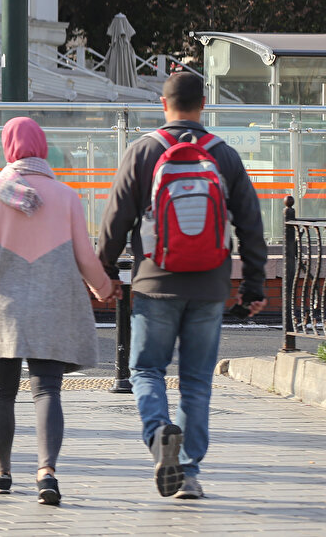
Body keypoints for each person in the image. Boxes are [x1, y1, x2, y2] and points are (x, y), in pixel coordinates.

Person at [98, 72, 267, 501]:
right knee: (196, 381)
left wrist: (103, 276)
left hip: (155, 281)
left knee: (147, 369)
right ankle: (188, 472)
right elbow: (250, 223)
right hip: (210, 284)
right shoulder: (223, 155)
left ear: (163, 103)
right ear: (203, 103)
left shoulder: (144, 151)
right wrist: (252, 285)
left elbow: (115, 222)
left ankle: (159, 437)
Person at [0, 117, 115, 504]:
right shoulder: (67, 195)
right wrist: (104, 289)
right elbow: (85, 256)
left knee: (2, 392)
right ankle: (46, 473)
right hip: (53, 306)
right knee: (48, 390)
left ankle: (1, 473)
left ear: (8, 148)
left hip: (3, 306)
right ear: (42, 146)